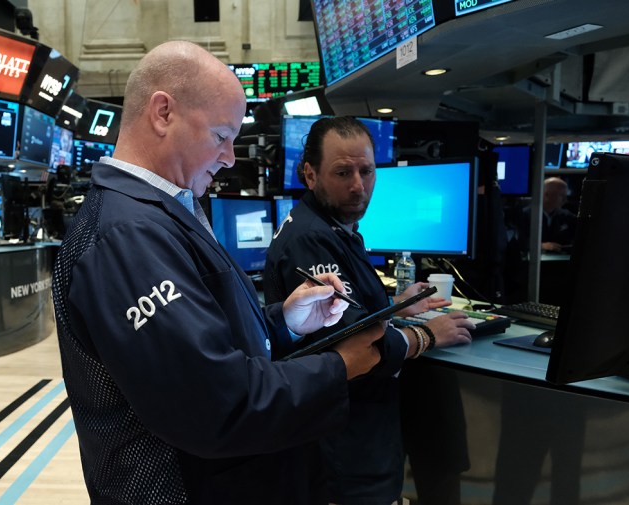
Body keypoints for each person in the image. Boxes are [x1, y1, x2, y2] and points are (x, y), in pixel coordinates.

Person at [52, 41, 389, 504]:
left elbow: (196, 339)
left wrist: (283, 321)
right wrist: (338, 366)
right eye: (221, 135)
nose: (230, 156)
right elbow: (213, 401)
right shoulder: (126, 235)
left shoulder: (161, 211)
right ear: (163, 112)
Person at [264, 116, 475, 504]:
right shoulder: (312, 237)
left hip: (353, 428)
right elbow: (353, 341)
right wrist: (428, 334)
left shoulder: (331, 225)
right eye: (343, 172)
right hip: (344, 433)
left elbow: (342, 308)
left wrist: (393, 306)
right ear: (309, 174)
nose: (358, 185)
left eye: (366, 171)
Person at [521, 177, 577, 254]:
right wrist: (540, 246)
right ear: (546, 195)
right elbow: (520, 242)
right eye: (562, 196)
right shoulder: (525, 215)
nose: (565, 200)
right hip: (533, 262)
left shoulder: (566, 215)